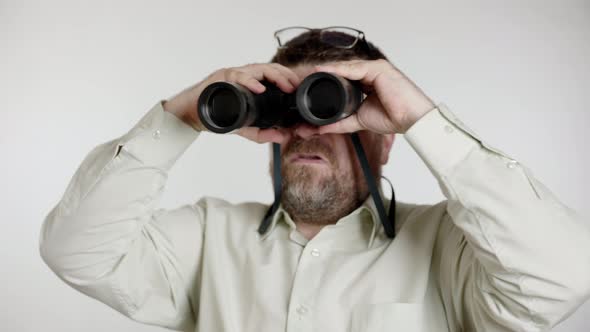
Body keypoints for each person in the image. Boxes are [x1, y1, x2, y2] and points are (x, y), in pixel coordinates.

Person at [39, 27, 590, 332]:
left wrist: (424, 121)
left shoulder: (449, 250)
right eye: (290, 110)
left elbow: (562, 279)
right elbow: (76, 251)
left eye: (329, 110)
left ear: (386, 136)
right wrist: (181, 116)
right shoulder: (208, 240)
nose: (308, 130)